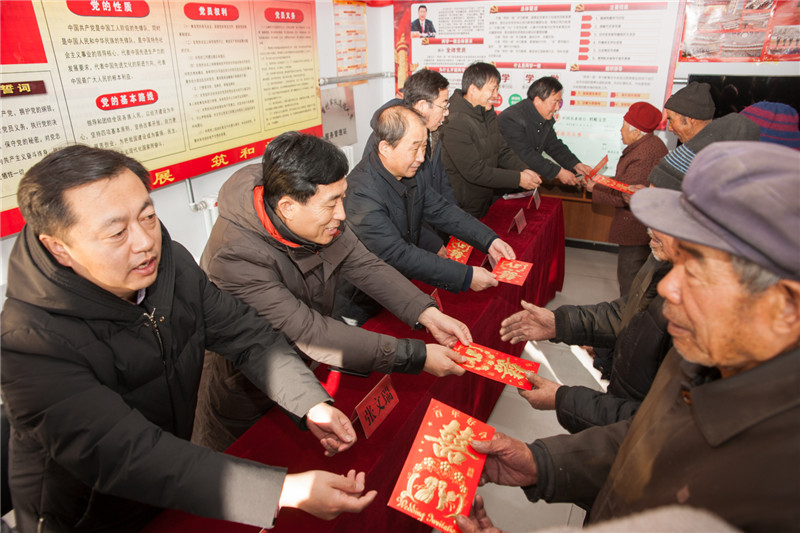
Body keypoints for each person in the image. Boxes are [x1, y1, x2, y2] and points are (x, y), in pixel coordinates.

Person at [0, 145, 376, 532]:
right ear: (59, 247)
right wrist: (282, 491)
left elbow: (247, 334)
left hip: (175, 478)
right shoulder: (28, 342)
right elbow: (125, 454)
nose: (144, 242)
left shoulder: (170, 264)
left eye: (148, 217)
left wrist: (309, 401)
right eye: (117, 233)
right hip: (88, 513)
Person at [462, 141, 800, 532]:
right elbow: (646, 439)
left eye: (696, 272)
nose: (669, 288)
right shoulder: (702, 352)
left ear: (784, 306)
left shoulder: (777, 481)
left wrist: (562, 400)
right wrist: (541, 464)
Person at [193, 132, 471, 451]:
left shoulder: (306, 205)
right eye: (332, 203)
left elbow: (363, 264)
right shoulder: (235, 257)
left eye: (342, 197)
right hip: (248, 390)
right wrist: (416, 356)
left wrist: (426, 312)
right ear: (287, 207)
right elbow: (311, 331)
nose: (341, 213)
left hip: (305, 368)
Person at [499, 228, 673, 433]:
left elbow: (646, 424)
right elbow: (628, 313)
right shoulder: (662, 257)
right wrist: (560, 323)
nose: (648, 229)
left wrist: (562, 399)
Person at [344, 105, 515, 300]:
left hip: (399, 287)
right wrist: (465, 276)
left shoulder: (411, 172)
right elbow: (397, 254)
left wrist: (489, 240)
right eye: (414, 148)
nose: (420, 158)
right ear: (385, 148)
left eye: (424, 147)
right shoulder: (360, 194)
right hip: (365, 297)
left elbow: (442, 210)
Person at [363, 68, 456, 254]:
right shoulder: (390, 139)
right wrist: (432, 242)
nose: (446, 113)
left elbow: (441, 178)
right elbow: (399, 208)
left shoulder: (432, 131)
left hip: (433, 226)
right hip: (408, 242)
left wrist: (454, 222)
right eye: (443, 106)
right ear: (422, 105)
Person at [584, 101, 668, 297]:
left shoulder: (643, 155)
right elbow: (625, 182)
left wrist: (595, 188)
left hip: (635, 228)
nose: (620, 131)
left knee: (630, 277)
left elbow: (627, 195)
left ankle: (628, 314)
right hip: (641, 225)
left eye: (623, 126)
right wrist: (601, 182)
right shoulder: (650, 145)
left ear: (636, 132)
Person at [439, 62, 541, 218]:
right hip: (463, 204)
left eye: (497, 89)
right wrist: (518, 179)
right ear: (473, 89)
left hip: (485, 197)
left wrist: (523, 170)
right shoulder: (455, 120)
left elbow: (502, 150)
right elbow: (474, 171)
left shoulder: (486, 113)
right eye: (492, 89)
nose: (496, 95)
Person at [648, 81, 760, 189]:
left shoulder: (690, 158)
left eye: (671, 120)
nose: (669, 128)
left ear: (690, 119)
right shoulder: (717, 148)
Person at [497, 77, 594, 187]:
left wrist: (575, 164)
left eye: (559, 102)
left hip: (526, 182)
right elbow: (525, 154)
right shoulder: (511, 118)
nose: (557, 107)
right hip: (505, 184)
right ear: (538, 100)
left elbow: (554, 146)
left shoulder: (544, 117)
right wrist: (558, 172)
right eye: (554, 102)